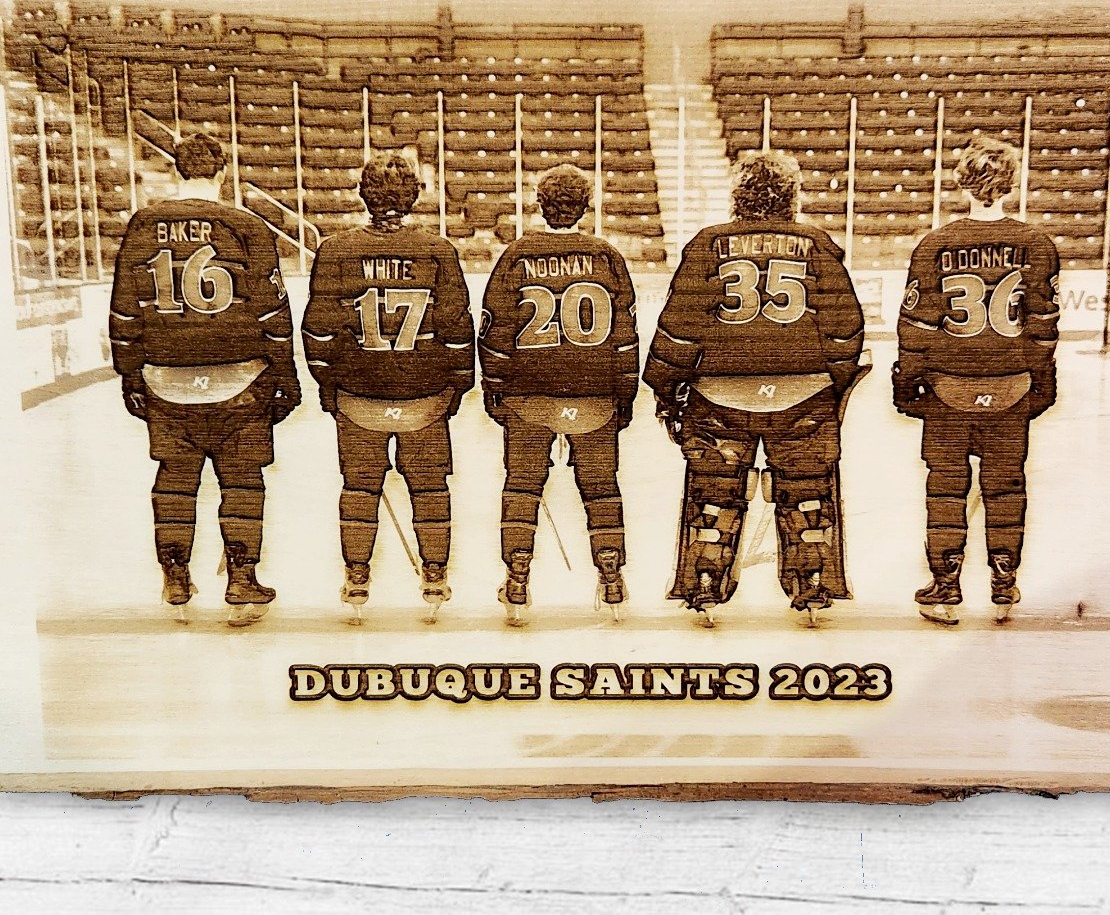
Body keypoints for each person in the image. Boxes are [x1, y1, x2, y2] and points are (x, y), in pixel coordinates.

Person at [643, 153, 866, 626]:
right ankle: (813, 581)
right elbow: (846, 328)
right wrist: (835, 384)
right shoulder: (819, 244)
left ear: (738, 196)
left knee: (715, 492)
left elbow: (679, 330)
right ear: (791, 197)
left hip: (721, 396)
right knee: (807, 491)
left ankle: (704, 580)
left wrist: (665, 388)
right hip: (804, 395)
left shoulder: (708, 244)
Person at [109, 131, 300, 625]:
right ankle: (241, 579)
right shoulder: (246, 225)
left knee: (174, 481)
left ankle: (175, 573)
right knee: (241, 483)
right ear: (222, 171)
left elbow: (125, 313)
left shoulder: (142, 224)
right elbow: (273, 315)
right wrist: (287, 379)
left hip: (166, 383)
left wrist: (131, 376)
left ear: (176, 169)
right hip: (241, 383)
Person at [893, 137, 1060, 625]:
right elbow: (1043, 326)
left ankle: (945, 589)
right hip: (1010, 386)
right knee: (1006, 487)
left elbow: (916, 328)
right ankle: (1004, 586)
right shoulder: (1037, 244)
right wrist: (1042, 381)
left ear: (962, 182)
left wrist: (906, 383)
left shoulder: (935, 243)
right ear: (1011, 182)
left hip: (948, 388)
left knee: (946, 488)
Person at [301, 154, 475, 622]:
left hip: (359, 399)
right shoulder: (438, 251)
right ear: (413, 197)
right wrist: (457, 386)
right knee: (431, 490)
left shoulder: (335, 251)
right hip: (424, 397)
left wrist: (327, 383)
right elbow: (458, 329)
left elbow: (318, 332)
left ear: (364, 194)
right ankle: (435, 574)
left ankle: (357, 577)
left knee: (358, 490)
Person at [479, 165, 639, 624]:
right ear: (586, 205)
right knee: (602, 488)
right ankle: (611, 577)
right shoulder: (607, 256)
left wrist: (496, 392)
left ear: (539, 203)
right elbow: (626, 339)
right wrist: (623, 396)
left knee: (522, 486)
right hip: (594, 398)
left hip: (530, 399)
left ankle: (517, 578)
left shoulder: (516, 255)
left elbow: (493, 336)